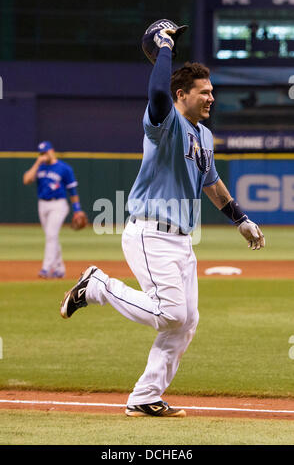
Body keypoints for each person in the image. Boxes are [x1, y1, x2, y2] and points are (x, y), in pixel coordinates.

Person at [60, 28, 265, 417]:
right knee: (169, 313)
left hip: (183, 240)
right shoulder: (165, 121)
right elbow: (156, 93)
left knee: (185, 322)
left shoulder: (203, 134)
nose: (211, 97)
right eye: (203, 91)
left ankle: (144, 396)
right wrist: (165, 47)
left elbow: (211, 182)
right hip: (150, 231)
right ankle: (98, 285)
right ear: (181, 96)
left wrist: (240, 219)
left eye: (211, 91)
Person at [23, 141, 85, 278]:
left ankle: (46, 268)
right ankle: (60, 269)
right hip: (42, 204)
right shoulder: (39, 167)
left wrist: (77, 209)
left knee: (51, 235)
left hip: (59, 205)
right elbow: (26, 180)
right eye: (42, 153)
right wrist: (37, 163)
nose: (44, 155)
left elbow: (72, 190)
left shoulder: (64, 168)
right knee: (52, 237)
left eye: (46, 152)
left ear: (52, 151)